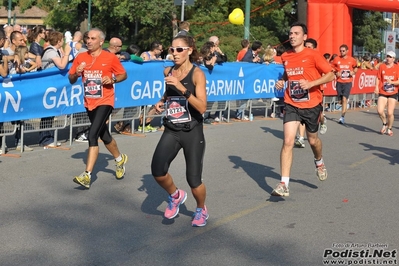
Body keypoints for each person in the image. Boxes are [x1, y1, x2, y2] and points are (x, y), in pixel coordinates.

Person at [273, 22, 335, 197]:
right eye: (290, 33)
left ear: (304, 37)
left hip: (312, 104)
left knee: (313, 141)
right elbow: (288, 72)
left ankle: (319, 161)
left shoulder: (313, 55)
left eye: (296, 33)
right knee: (287, 141)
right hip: (292, 103)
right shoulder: (285, 56)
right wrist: (283, 80)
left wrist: (311, 83)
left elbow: (330, 74)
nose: (292, 36)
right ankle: (284, 184)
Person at [152, 35, 208, 227]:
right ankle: (175, 195)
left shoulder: (197, 74)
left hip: (192, 131)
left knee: (193, 179)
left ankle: (201, 208)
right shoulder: (168, 71)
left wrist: (181, 88)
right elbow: (169, 93)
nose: (174, 53)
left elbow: (201, 107)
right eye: (172, 49)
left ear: (189, 50)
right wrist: (161, 101)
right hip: (171, 129)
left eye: (179, 49)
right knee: (158, 171)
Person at [68, 28, 128, 189]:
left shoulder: (110, 58)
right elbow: (71, 79)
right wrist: (76, 73)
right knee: (105, 135)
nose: (88, 41)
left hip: (105, 101)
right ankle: (119, 159)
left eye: (93, 38)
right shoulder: (80, 57)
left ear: (101, 41)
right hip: (89, 102)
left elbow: (123, 75)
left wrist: (112, 79)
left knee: (92, 135)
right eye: (87, 38)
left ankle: (87, 176)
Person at [39, 31, 72, 147]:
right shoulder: (50, 51)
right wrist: (67, 53)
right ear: (58, 41)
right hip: (49, 85)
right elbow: (62, 65)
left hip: (54, 85)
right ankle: (45, 139)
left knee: (51, 113)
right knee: (48, 113)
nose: (63, 42)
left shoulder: (56, 50)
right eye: (62, 40)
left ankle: (48, 137)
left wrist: (63, 52)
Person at [138, 41, 164, 132]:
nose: (162, 51)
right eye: (160, 49)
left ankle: (148, 123)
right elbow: (142, 67)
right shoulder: (145, 54)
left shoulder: (158, 57)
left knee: (154, 105)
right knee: (145, 106)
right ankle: (141, 125)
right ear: (155, 49)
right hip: (145, 84)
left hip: (154, 84)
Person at [331, 44, 358, 124]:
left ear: (347, 51)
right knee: (340, 101)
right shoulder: (336, 59)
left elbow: (356, 68)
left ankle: (342, 117)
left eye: (343, 51)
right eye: (340, 51)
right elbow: (332, 68)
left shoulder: (352, 60)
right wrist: (336, 72)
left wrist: (353, 72)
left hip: (348, 82)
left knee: (344, 99)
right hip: (339, 82)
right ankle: (344, 105)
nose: (342, 52)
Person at [374, 51, 399, 136]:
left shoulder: (397, 68)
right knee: (380, 110)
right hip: (383, 91)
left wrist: (392, 82)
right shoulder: (382, 66)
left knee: (390, 113)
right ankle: (385, 123)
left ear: (393, 59)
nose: (388, 58)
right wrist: (376, 87)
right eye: (387, 56)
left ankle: (390, 128)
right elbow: (378, 77)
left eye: (390, 57)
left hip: (393, 92)